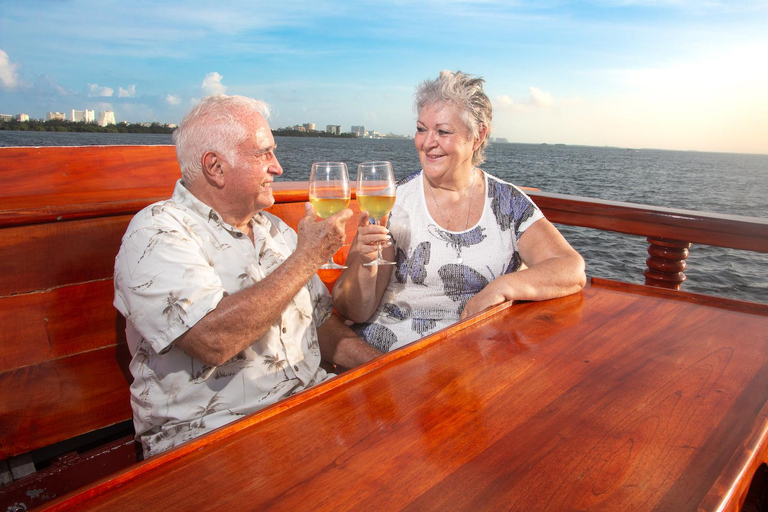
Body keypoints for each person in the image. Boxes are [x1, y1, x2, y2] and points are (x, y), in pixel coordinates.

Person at [113, 94, 382, 457]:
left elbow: (321, 324)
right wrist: (306, 258)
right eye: (264, 154)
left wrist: (383, 367)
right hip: (213, 435)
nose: (278, 167)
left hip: (307, 407)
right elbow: (213, 341)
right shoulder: (157, 232)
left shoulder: (274, 231)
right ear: (215, 167)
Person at [332, 71, 586, 353]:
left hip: (475, 356)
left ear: (478, 136)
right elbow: (357, 311)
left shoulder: (507, 204)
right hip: (394, 355)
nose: (427, 142)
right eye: (420, 129)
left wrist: (500, 288)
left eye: (442, 131)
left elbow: (570, 268)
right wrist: (364, 267)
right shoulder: (394, 203)